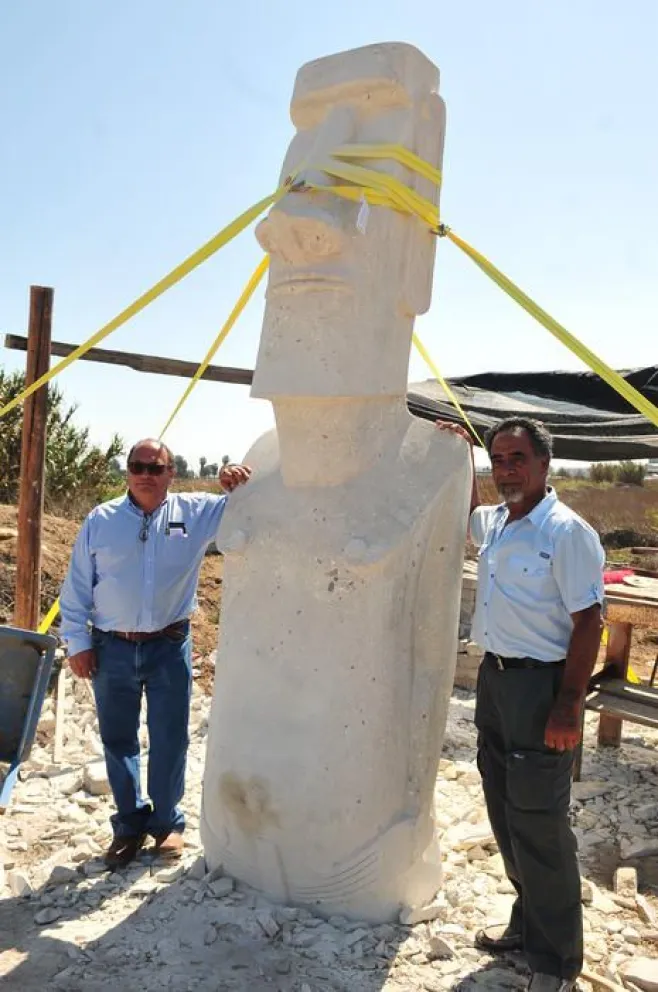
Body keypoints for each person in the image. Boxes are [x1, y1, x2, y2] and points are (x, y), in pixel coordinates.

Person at [437, 416, 604, 992]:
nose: (507, 470)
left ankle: (556, 962)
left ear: (544, 464)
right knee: (506, 812)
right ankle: (526, 922)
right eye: (498, 460)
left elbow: (589, 622)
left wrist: (568, 705)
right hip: (496, 681)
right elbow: (469, 513)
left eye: (518, 459)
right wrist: (462, 454)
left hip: (542, 688)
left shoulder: (565, 532)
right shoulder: (496, 522)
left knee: (539, 824)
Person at [60, 438, 251, 869]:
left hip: (169, 645)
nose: (145, 475)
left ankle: (166, 824)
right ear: (128, 471)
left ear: (170, 473)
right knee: (118, 739)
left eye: (155, 467)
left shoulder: (196, 513)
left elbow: (245, 506)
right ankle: (128, 826)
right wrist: (77, 642)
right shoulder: (101, 520)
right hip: (112, 647)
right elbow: (77, 587)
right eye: (137, 466)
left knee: (170, 737)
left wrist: (235, 479)